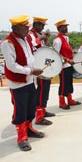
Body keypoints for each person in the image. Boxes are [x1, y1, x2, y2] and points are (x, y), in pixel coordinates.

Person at [1, 15, 45, 151]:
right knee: (20, 109)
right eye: (26, 27)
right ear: (17, 28)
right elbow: (12, 65)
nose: (28, 29)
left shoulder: (25, 39)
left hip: (29, 80)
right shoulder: (7, 44)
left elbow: (30, 56)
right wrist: (31, 70)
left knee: (31, 106)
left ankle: (29, 129)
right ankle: (22, 137)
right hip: (18, 82)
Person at [28, 16, 54, 126]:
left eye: (43, 26)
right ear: (36, 25)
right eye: (41, 25)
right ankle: (39, 117)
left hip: (44, 64)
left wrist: (45, 40)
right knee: (42, 91)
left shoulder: (39, 35)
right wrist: (41, 38)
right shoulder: (30, 34)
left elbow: (43, 48)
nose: (43, 27)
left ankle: (43, 111)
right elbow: (33, 45)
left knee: (46, 90)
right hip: (38, 67)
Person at [53, 19, 81, 110]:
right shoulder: (57, 40)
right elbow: (56, 55)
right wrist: (68, 60)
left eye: (66, 26)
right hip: (63, 67)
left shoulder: (66, 38)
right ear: (59, 28)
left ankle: (70, 100)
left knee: (69, 83)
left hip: (69, 66)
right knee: (63, 84)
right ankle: (61, 102)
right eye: (64, 27)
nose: (66, 28)